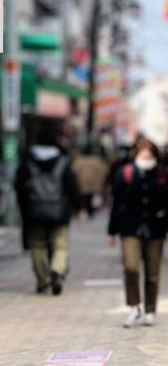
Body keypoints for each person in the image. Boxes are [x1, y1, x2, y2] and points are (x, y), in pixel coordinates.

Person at [108, 138, 168, 327]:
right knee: (131, 267)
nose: (146, 159)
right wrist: (111, 231)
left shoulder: (161, 174)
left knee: (153, 272)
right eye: (143, 155)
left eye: (150, 156)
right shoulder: (124, 173)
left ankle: (150, 309)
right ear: (136, 155)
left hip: (155, 228)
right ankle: (134, 305)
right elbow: (116, 202)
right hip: (129, 227)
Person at [15, 124, 83, 295]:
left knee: (37, 246)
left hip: (34, 212)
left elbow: (18, 186)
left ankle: (43, 279)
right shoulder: (62, 161)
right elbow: (72, 187)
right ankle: (57, 270)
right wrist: (78, 208)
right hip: (59, 213)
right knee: (60, 245)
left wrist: (24, 206)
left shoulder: (28, 160)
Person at [73, 144, 108, 217]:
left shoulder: (80, 161)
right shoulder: (96, 160)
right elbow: (103, 171)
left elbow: (74, 171)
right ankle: (90, 210)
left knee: (85, 198)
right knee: (91, 198)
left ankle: (86, 209)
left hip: (82, 184)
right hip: (93, 184)